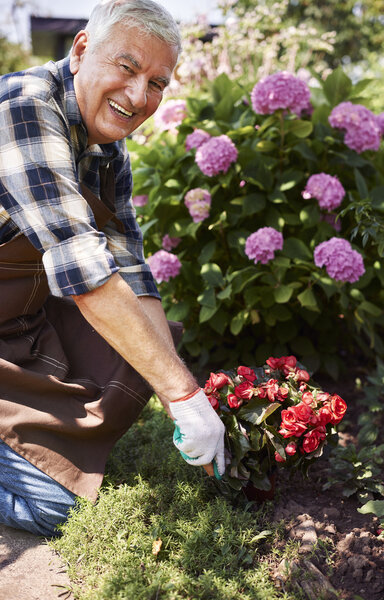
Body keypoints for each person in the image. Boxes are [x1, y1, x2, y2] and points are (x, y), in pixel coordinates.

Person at [0, 0, 225, 537]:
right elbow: (80, 264)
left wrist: (180, 385)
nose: (138, 96)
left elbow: (129, 268)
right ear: (81, 51)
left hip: (19, 316)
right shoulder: (23, 107)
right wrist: (184, 397)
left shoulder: (107, 150)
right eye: (127, 68)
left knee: (154, 344)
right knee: (58, 508)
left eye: (157, 83)